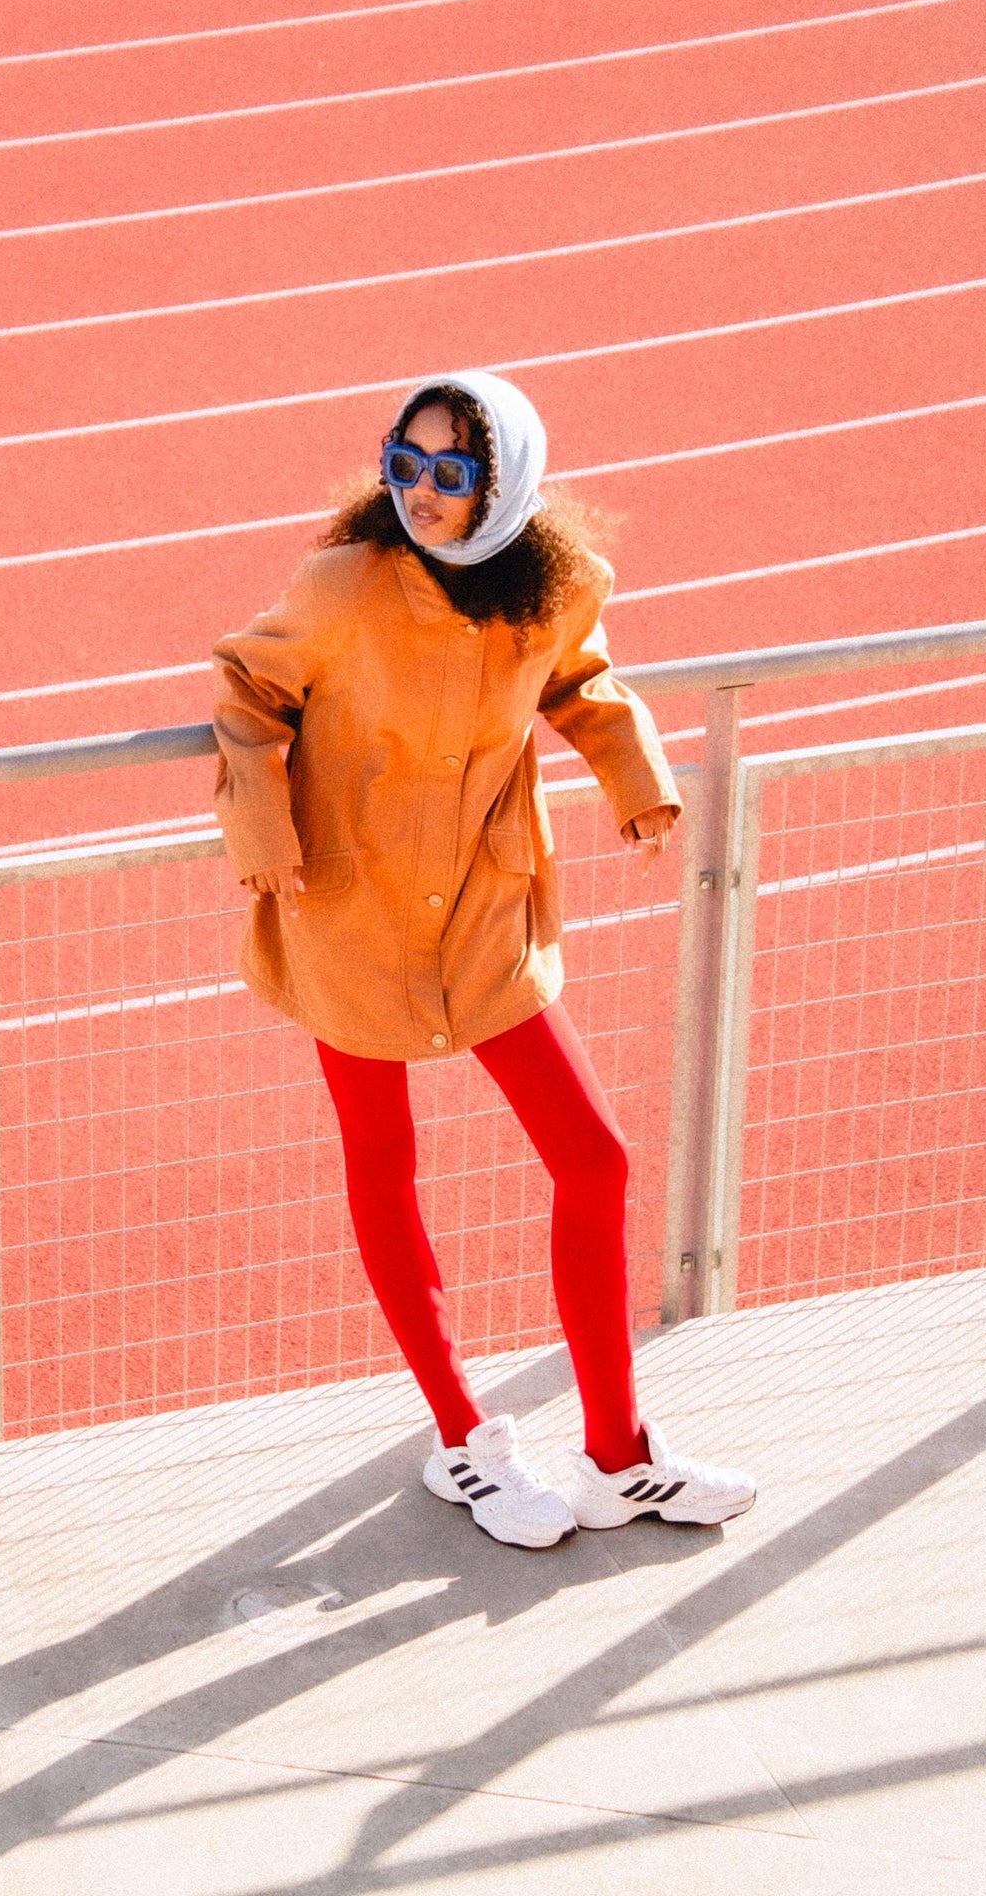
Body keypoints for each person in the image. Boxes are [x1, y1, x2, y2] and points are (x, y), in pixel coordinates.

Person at [212, 371, 755, 1548]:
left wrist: (636, 779)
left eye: (448, 472)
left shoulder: (551, 590)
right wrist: (263, 833)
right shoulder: (343, 584)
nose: (416, 490)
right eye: (400, 462)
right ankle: (464, 1439)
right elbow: (247, 685)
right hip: (345, 904)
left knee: (594, 1158)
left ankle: (616, 1457)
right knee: (384, 1160)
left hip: (485, 906)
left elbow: (579, 679)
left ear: (502, 485)